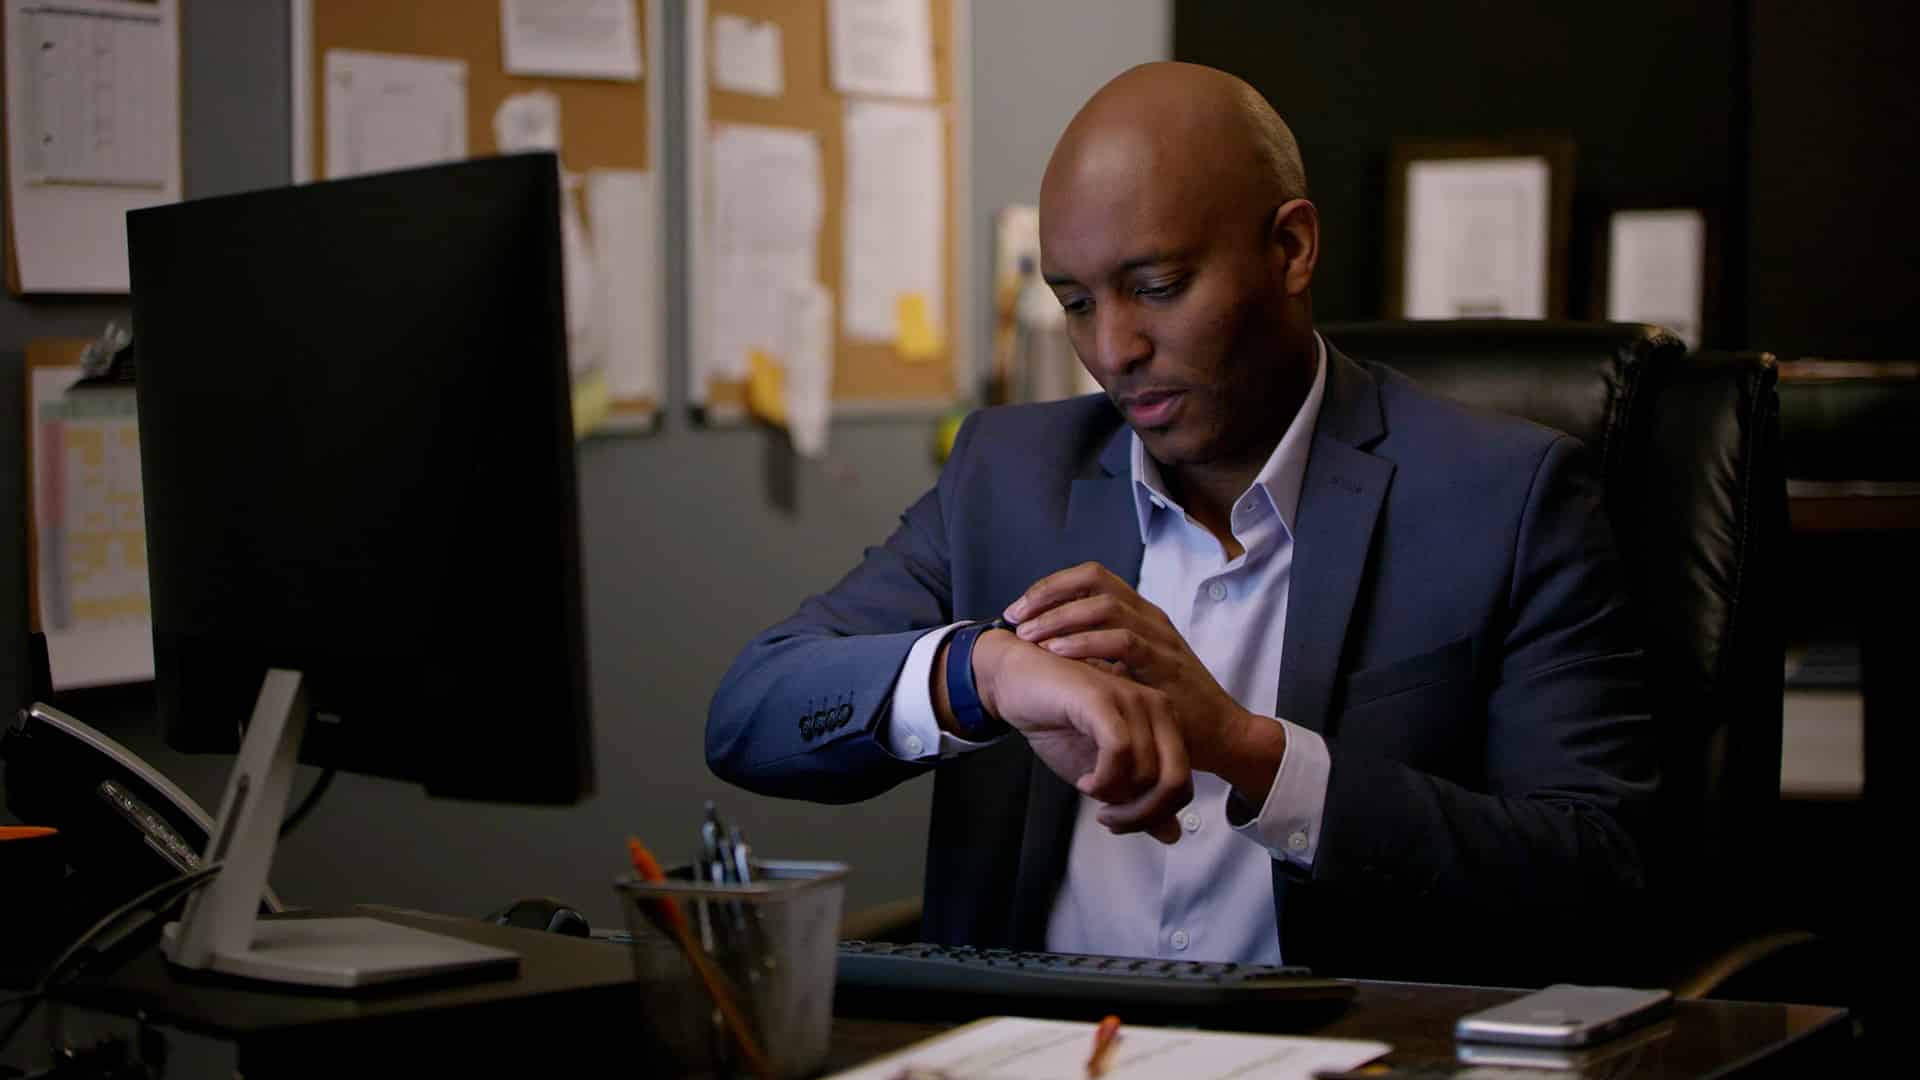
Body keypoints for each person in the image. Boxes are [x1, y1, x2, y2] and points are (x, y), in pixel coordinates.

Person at [707, 62, 1655, 984]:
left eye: (1157, 286)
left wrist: (1247, 750)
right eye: (1075, 303)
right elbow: (753, 710)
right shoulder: (1008, 475)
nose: (1113, 350)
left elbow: (1598, 873)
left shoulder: (1507, 497)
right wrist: (986, 671)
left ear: (1291, 249)